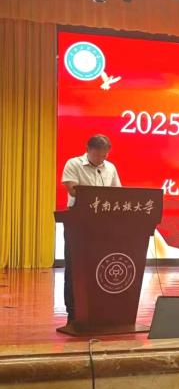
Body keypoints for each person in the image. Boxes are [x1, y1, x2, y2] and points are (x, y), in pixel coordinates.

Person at [61, 134, 122, 322]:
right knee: (75, 268)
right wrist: (98, 195)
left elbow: (118, 192)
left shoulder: (110, 168)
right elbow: (72, 189)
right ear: (88, 150)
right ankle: (73, 311)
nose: (102, 159)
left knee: (100, 266)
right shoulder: (74, 164)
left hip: (103, 224)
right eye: (98, 155)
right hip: (78, 222)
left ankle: (99, 309)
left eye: (105, 155)